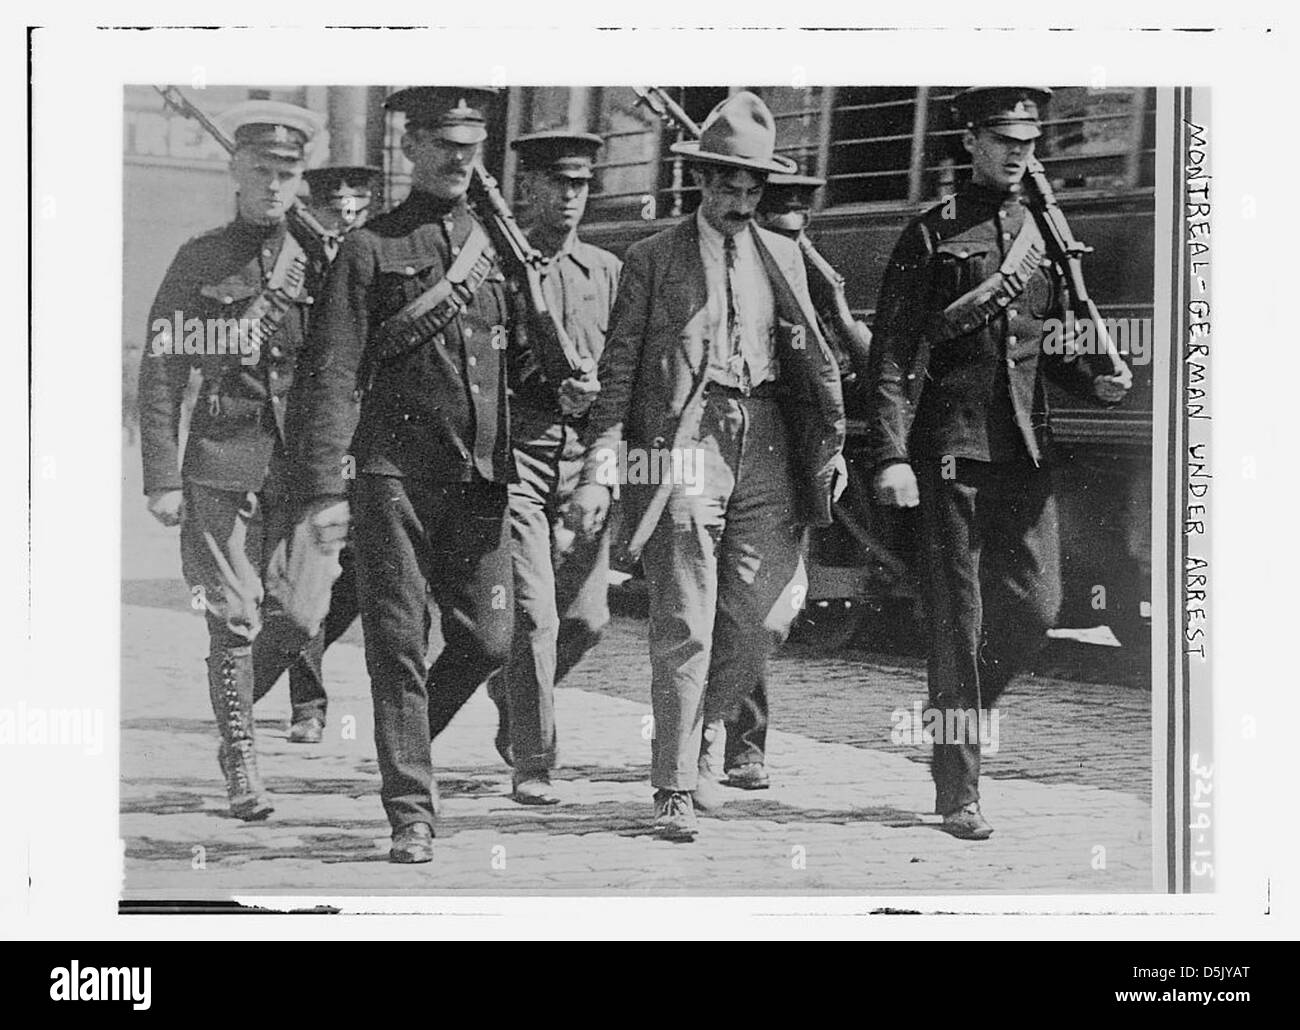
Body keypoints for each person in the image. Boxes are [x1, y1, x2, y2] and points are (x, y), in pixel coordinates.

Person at [568, 92, 846, 841]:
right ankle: (675, 786)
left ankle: (701, 730)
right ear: (702, 181)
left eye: (753, 189)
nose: (741, 202)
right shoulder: (651, 258)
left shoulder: (784, 255)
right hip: (685, 443)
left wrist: (832, 449)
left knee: (769, 614)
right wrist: (601, 467)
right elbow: (619, 372)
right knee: (686, 618)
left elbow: (813, 365)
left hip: (768, 439)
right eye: (729, 186)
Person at [863, 87, 1132, 841]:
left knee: (1038, 609)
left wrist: (1095, 383)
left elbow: (1044, 345)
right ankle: (959, 791)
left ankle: (957, 715)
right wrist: (891, 453)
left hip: (1024, 449)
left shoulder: (1046, 232)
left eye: (1028, 141)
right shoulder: (931, 233)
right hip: (952, 449)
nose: (1019, 153)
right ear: (972, 141)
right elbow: (891, 354)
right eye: (1004, 139)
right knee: (959, 622)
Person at [289, 87, 526, 863]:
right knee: (397, 643)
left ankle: (406, 743)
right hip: (394, 477)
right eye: (445, 144)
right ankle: (411, 813)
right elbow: (332, 374)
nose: (459, 159)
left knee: (490, 640)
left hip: (481, 476)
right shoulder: (369, 247)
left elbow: (517, 363)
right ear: (412, 146)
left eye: (470, 145)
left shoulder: (497, 246)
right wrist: (326, 489)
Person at [138, 100, 327, 820]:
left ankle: (239, 701)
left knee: (302, 615)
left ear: (299, 180)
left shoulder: (321, 257)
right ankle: (241, 755)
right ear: (236, 173)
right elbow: (163, 370)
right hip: (221, 457)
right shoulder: (200, 259)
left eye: (287, 174)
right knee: (233, 614)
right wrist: (162, 478)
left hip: (301, 463)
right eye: (261, 171)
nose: (274, 185)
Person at [482, 131, 621, 805]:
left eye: (581, 184)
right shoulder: (496, 267)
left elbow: (622, 376)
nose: (570, 196)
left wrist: (602, 470)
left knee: (587, 620)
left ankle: (513, 691)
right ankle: (534, 762)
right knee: (534, 616)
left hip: (585, 455)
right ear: (527, 188)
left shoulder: (607, 272)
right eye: (557, 183)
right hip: (519, 452)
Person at [252, 164, 382, 744]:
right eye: (335, 206)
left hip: (372, 440)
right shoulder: (296, 262)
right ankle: (307, 704)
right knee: (307, 579)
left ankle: (264, 675)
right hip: (305, 445)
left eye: (359, 205)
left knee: (354, 581)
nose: (347, 215)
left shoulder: (377, 260)